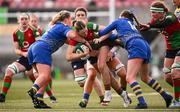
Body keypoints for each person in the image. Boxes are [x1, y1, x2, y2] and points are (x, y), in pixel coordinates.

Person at [98, 9, 173, 109]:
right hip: (145, 45)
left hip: (135, 45)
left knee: (130, 78)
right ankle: (167, 97)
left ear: (122, 16)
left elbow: (103, 32)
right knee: (145, 78)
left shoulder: (118, 21)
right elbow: (116, 36)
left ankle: (142, 103)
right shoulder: (132, 25)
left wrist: (93, 32)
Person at [27, 10, 91, 109]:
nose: (71, 21)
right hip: (42, 48)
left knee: (45, 77)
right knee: (45, 75)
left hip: (33, 48)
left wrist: (78, 44)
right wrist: (85, 41)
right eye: (70, 19)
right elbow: (73, 35)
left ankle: (38, 100)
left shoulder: (55, 26)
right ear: (66, 20)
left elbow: (67, 40)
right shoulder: (63, 26)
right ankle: (33, 91)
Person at [73, 20, 131, 108]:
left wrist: (108, 47)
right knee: (109, 77)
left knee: (114, 70)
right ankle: (124, 96)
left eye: (86, 30)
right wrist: (83, 54)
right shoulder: (74, 37)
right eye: (83, 33)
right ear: (77, 32)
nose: (85, 33)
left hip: (104, 46)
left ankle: (107, 93)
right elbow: (72, 55)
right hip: (93, 56)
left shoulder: (90, 26)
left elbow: (110, 32)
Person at [140, 1, 180, 108]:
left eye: (154, 12)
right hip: (171, 49)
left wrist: (149, 25)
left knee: (175, 72)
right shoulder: (155, 20)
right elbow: (152, 24)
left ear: (161, 12)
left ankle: (177, 100)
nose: (152, 14)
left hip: (179, 47)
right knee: (167, 76)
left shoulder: (170, 17)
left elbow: (163, 24)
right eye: (151, 12)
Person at [0, 13, 39, 103]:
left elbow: (39, 45)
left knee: (37, 77)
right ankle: (2, 95)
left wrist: (32, 53)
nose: (24, 21)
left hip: (35, 58)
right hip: (25, 58)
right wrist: (23, 53)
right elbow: (16, 50)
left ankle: (46, 95)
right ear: (18, 21)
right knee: (9, 71)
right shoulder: (16, 33)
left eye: (26, 19)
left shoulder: (34, 31)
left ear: (28, 20)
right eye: (22, 19)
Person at [29, 13, 57, 103]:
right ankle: (40, 94)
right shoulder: (26, 31)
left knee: (46, 76)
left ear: (38, 21)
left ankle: (48, 94)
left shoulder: (42, 30)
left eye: (35, 21)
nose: (33, 23)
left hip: (42, 54)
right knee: (42, 75)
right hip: (33, 54)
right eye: (32, 21)